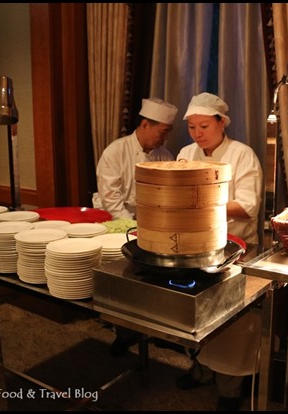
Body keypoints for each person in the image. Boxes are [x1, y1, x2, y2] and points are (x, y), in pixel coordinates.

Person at [175, 92, 263, 411]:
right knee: (195, 312)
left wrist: (202, 202)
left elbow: (248, 206)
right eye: (192, 127)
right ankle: (200, 370)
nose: (198, 133)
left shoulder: (242, 154)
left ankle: (230, 388)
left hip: (235, 247)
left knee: (231, 322)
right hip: (193, 245)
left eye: (204, 126)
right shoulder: (186, 152)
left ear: (221, 123)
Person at [96, 97, 178, 356]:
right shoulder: (115, 151)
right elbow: (111, 200)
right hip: (120, 224)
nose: (163, 139)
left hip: (156, 227)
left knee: (160, 280)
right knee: (126, 282)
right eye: (161, 132)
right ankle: (125, 332)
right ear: (144, 124)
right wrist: (134, 229)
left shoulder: (165, 156)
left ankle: (160, 329)